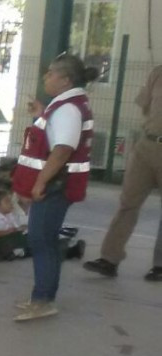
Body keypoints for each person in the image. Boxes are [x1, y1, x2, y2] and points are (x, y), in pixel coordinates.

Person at [11, 53, 98, 321]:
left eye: (51, 73)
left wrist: (40, 182)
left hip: (56, 185)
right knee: (43, 239)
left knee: (42, 239)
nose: (45, 78)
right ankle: (42, 295)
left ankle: (43, 300)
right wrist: (41, 114)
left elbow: (62, 150)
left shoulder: (68, 109)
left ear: (65, 80)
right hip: (58, 183)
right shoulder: (65, 105)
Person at [85, 64, 162, 282]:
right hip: (147, 145)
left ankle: (160, 265)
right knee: (128, 203)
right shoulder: (158, 73)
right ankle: (109, 259)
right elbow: (145, 107)